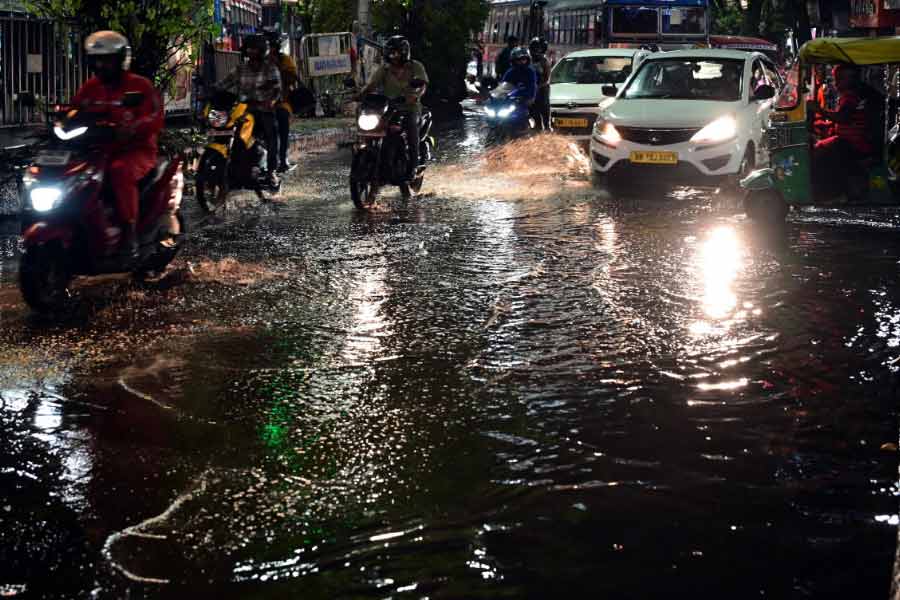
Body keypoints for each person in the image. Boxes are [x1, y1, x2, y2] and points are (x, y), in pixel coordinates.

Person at [71, 30, 163, 261]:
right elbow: (75, 110)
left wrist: (134, 127)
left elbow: (155, 116)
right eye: (97, 60)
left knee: (119, 170)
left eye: (107, 60)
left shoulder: (139, 86)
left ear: (121, 60)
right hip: (99, 150)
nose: (101, 65)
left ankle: (130, 233)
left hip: (136, 150)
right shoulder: (91, 87)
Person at [357, 35, 428, 181]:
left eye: (395, 52)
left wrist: (415, 95)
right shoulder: (384, 69)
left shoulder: (415, 66)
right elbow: (371, 85)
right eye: (390, 52)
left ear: (403, 52)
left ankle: (413, 166)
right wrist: (360, 95)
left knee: (410, 127)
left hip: (410, 108)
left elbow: (422, 85)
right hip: (389, 108)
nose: (393, 56)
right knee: (375, 127)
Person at [217, 34, 281, 186]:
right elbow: (225, 83)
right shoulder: (240, 69)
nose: (251, 52)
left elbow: (277, 90)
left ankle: (271, 171)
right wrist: (210, 90)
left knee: (272, 136)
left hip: (263, 110)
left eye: (254, 49)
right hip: (243, 111)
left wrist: (270, 102)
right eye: (249, 49)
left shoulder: (270, 68)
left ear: (261, 50)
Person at [812, 64, 883, 198]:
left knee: (819, 151)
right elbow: (847, 119)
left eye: (841, 79)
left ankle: (826, 194)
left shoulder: (851, 96)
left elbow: (843, 117)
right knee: (824, 145)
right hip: (851, 141)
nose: (837, 82)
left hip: (855, 144)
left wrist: (818, 110)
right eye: (836, 78)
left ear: (852, 79)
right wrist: (826, 124)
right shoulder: (851, 95)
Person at [264, 28, 299, 173]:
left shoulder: (285, 60)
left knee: (283, 120)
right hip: (260, 103)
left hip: (281, 101)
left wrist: (278, 67)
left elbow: (291, 78)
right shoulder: (258, 62)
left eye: (272, 46)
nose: (270, 50)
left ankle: (283, 158)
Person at [529, 37, 551, 131]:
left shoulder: (544, 61)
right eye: (533, 49)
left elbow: (547, 78)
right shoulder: (528, 60)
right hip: (531, 88)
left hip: (542, 88)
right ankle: (537, 125)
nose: (535, 52)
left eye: (537, 49)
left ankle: (547, 127)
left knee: (544, 107)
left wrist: (538, 86)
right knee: (533, 109)